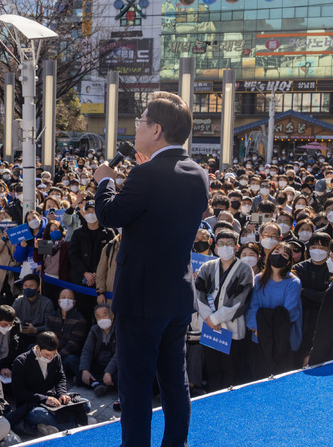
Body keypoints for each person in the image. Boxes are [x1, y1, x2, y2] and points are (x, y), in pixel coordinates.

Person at [92, 92, 209, 446]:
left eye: (141, 121)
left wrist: (103, 181)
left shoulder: (145, 174)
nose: (137, 127)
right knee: (175, 380)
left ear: (156, 129)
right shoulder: (198, 173)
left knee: (136, 386)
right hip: (175, 295)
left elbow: (110, 215)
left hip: (141, 299)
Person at [193, 230, 255, 392]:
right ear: (215, 246)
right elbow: (199, 294)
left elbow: (240, 300)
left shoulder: (245, 270)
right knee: (213, 368)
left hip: (232, 329)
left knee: (230, 371)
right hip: (209, 328)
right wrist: (209, 318)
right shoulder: (207, 267)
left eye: (229, 243)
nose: (225, 247)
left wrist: (216, 319)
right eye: (221, 243)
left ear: (236, 247)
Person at [7, 331, 90, 437]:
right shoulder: (21, 362)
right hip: (32, 403)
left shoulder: (56, 357)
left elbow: (60, 377)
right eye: (47, 355)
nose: (50, 358)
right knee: (38, 415)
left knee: (85, 404)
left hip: (52, 399)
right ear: (37, 348)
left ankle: (56, 426)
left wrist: (62, 394)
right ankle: (75, 424)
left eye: (53, 354)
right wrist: (44, 399)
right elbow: (19, 392)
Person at [245, 241, 303, 378]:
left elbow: (289, 312)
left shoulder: (293, 282)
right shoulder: (258, 279)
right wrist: (256, 327)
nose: (279, 256)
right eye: (276, 252)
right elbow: (253, 307)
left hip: (283, 338)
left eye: (284, 255)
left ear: (289, 261)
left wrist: (265, 325)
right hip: (259, 337)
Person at [293, 232, 332, 365]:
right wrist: (317, 295)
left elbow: (328, 297)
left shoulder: (332, 269)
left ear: (329, 251)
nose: (317, 251)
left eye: (322, 248)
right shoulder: (299, 268)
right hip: (302, 319)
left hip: (324, 319)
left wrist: (306, 291)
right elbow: (296, 292)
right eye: (314, 247)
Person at [45, 289, 87, 378]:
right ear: (59, 301)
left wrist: (57, 357)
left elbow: (73, 344)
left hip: (67, 355)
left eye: (70, 298)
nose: (66, 300)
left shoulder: (80, 320)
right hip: (52, 353)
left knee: (71, 360)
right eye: (63, 297)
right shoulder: (52, 316)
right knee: (32, 348)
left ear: (74, 302)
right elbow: (47, 337)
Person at [78, 304, 118, 395]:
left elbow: (119, 355)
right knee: (73, 361)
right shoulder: (94, 330)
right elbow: (87, 351)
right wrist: (85, 370)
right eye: (98, 317)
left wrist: (108, 372)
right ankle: (98, 384)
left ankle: (94, 383)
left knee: (123, 374)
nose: (102, 319)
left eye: (105, 315)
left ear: (112, 316)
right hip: (98, 365)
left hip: (113, 368)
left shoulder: (119, 330)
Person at [12, 274, 56, 348]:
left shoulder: (47, 303)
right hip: (21, 335)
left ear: (38, 288)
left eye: (31, 286)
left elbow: (50, 326)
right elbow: (11, 319)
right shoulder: (18, 302)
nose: (28, 288)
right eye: (25, 286)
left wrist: (35, 330)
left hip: (40, 337)